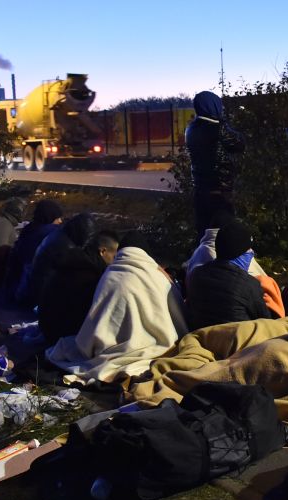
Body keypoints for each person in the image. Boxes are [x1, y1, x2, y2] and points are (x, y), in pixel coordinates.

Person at [47, 231, 188, 383]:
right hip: (163, 348)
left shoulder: (109, 276)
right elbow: (179, 314)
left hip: (108, 350)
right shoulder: (159, 276)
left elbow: (94, 326)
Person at [186, 218, 271, 330]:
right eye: (249, 252)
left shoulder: (195, 275)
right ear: (241, 254)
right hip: (237, 342)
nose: (251, 254)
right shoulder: (250, 284)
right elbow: (266, 322)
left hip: (200, 338)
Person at [38, 230, 119, 345]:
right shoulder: (89, 274)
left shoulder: (74, 260)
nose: (115, 261)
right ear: (103, 251)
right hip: (59, 335)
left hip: (46, 327)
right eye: (115, 256)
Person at [185, 91, 245, 238]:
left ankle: (203, 260)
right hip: (220, 193)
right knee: (225, 236)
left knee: (204, 236)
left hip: (200, 191)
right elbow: (239, 143)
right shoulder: (219, 128)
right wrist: (223, 121)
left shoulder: (190, 129)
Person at [19, 213, 98, 308]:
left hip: (36, 290)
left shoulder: (61, 235)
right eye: (88, 237)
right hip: (41, 298)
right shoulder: (66, 247)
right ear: (82, 232)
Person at [4, 199, 63, 304]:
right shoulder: (52, 233)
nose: (60, 221)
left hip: (11, 287)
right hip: (29, 293)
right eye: (58, 218)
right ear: (49, 217)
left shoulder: (28, 229)